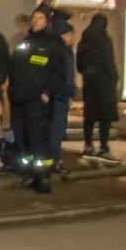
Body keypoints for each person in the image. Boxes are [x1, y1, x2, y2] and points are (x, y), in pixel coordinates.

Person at [8, 8, 69, 192]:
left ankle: (42, 177)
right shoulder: (25, 41)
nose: (36, 20)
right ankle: (28, 174)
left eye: (40, 18)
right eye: (34, 17)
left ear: (47, 21)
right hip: (19, 98)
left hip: (37, 99)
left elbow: (59, 71)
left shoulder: (53, 42)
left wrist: (47, 92)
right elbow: (16, 67)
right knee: (22, 138)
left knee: (38, 138)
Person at [77, 14, 121, 163]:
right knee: (105, 117)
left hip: (89, 84)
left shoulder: (83, 41)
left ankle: (88, 145)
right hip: (104, 85)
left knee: (89, 116)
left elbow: (79, 65)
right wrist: (115, 77)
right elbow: (109, 62)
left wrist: (89, 73)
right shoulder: (104, 40)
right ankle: (103, 147)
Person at [47, 18, 78, 173]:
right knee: (55, 130)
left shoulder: (68, 51)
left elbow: (70, 75)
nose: (73, 37)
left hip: (63, 95)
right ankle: (51, 161)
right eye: (70, 34)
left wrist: (71, 93)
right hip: (56, 95)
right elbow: (57, 74)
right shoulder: (57, 51)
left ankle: (55, 159)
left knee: (58, 130)